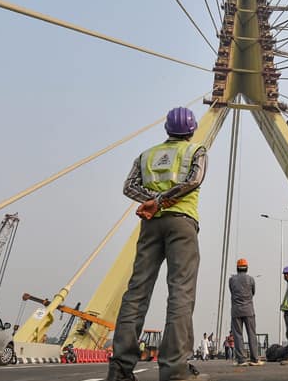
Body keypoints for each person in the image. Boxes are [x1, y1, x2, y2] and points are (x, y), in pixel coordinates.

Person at [105, 107, 209, 381]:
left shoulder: (146, 155)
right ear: (192, 129)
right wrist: (162, 201)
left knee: (136, 293)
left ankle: (120, 370)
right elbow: (194, 180)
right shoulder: (196, 151)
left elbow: (129, 187)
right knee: (180, 294)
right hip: (182, 223)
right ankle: (175, 370)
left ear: (166, 129)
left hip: (150, 225)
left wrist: (151, 200)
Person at [229, 258, 263, 366]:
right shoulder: (251, 279)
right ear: (246, 268)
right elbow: (253, 292)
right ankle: (254, 359)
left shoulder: (232, 280)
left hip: (236, 311)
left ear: (237, 268)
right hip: (249, 310)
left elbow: (232, 291)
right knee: (252, 334)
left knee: (238, 335)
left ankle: (241, 360)